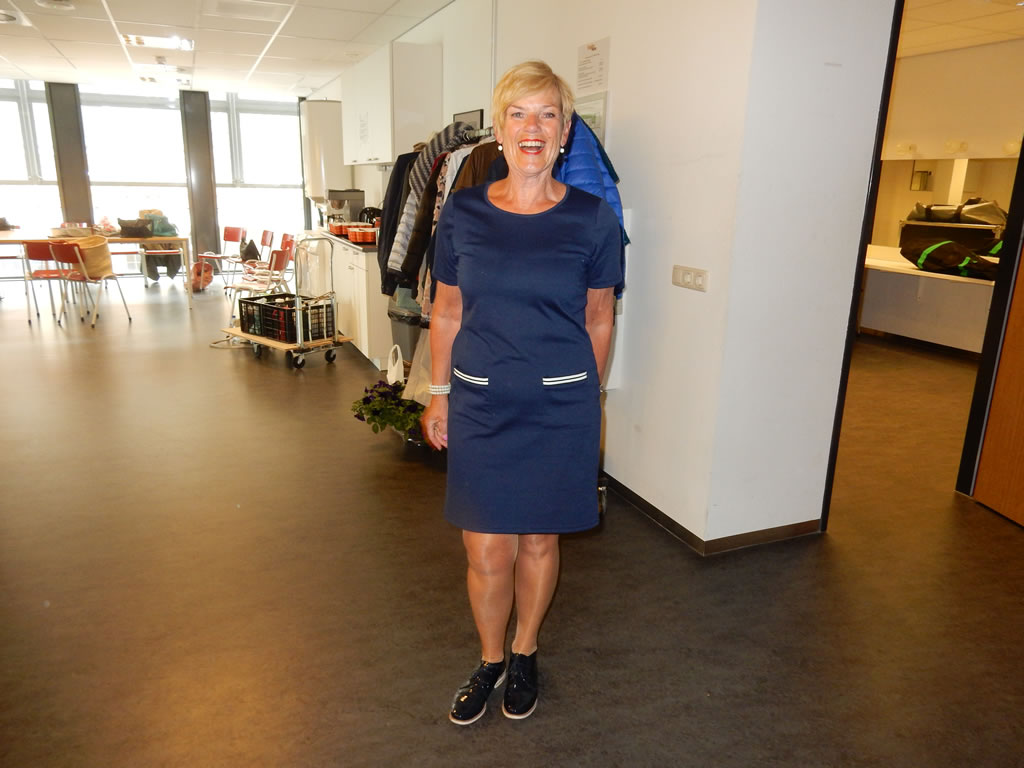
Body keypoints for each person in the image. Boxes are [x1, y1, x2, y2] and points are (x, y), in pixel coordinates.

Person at [421, 60, 623, 725]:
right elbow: (447, 310)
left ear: (565, 134)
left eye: (547, 114)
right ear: (501, 132)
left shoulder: (593, 219)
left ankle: (525, 649)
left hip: (558, 406)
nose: (532, 127)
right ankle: (489, 659)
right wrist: (439, 392)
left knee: (538, 541)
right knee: (487, 548)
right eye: (518, 113)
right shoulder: (464, 212)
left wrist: (588, 399)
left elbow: (599, 316)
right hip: (482, 402)